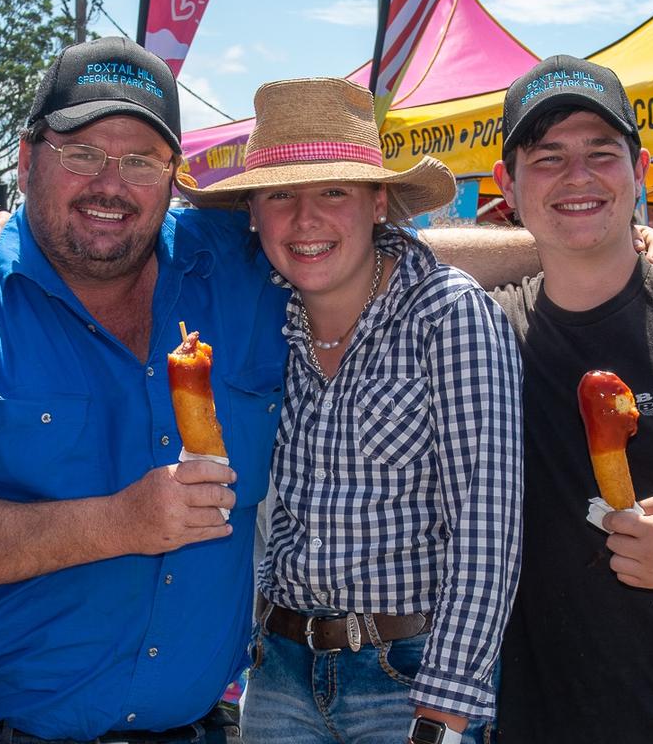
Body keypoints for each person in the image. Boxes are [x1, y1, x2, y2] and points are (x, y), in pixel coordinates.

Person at [0, 36, 289, 743]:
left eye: (140, 161)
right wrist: (119, 522)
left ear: (174, 175)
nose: (111, 185)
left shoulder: (238, 271)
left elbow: (363, 257)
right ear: (28, 161)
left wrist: (542, 247)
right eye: (83, 153)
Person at [178, 78, 523, 744]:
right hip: (279, 666)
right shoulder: (265, 314)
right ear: (253, 212)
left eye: (333, 191)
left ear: (377, 202)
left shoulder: (447, 315)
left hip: (407, 675)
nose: (306, 219)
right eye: (281, 195)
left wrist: (446, 712)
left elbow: (487, 530)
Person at [483, 55, 653, 741]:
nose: (579, 177)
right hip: (539, 721)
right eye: (548, 159)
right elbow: (382, 252)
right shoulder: (488, 336)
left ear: (641, 168)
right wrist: (529, 244)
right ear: (506, 183)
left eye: (601, 153)